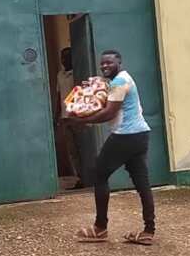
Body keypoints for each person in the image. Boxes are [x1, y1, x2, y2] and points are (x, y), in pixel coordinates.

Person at [65, 50, 155, 245]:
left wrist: (83, 121)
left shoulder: (120, 82)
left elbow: (108, 113)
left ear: (119, 63)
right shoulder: (121, 79)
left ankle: (100, 228)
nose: (105, 66)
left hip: (125, 136)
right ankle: (149, 230)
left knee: (99, 174)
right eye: (103, 63)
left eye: (109, 63)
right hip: (140, 136)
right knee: (142, 183)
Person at [55, 47, 83, 189]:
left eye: (67, 57)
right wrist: (57, 116)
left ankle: (89, 177)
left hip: (78, 118)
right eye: (62, 57)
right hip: (65, 119)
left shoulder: (78, 74)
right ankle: (80, 178)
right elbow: (58, 97)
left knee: (83, 149)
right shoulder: (60, 75)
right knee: (73, 152)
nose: (64, 60)